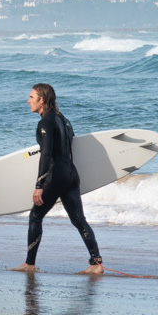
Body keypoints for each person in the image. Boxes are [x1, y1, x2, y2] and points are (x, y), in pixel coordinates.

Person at [11, 83, 105, 275]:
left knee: (35, 216)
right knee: (79, 220)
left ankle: (29, 263)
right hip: (71, 175)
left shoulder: (45, 122)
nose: (28, 100)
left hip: (55, 178)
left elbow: (46, 155)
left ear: (42, 100)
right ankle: (96, 263)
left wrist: (39, 185)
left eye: (31, 97)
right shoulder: (64, 120)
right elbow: (69, 147)